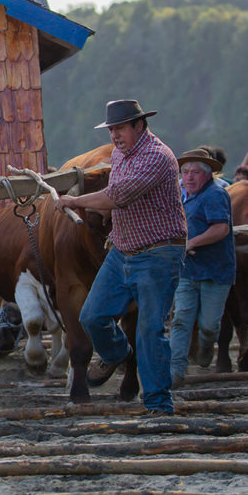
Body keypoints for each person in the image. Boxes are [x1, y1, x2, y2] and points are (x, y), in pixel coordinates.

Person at [63, 99, 186, 415]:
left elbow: (117, 195)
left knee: (149, 330)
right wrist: (105, 214)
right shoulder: (120, 154)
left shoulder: (157, 157)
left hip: (159, 253)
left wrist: (75, 202)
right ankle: (116, 351)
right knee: (92, 315)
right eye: (111, 129)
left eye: (120, 128)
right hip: (122, 250)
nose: (115, 136)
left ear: (139, 125)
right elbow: (116, 199)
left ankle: (159, 404)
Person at [166, 148, 233, 384]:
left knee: (208, 325)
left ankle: (207, 345)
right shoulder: (181, 193)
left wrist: (191, 242)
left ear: (207, 175)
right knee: (181, 319)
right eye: (185, 172)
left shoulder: (215, 194)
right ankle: (175, 371)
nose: (189, 177)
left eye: (195, 172)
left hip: (215, 271)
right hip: (187, 269)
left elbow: (220, 228)